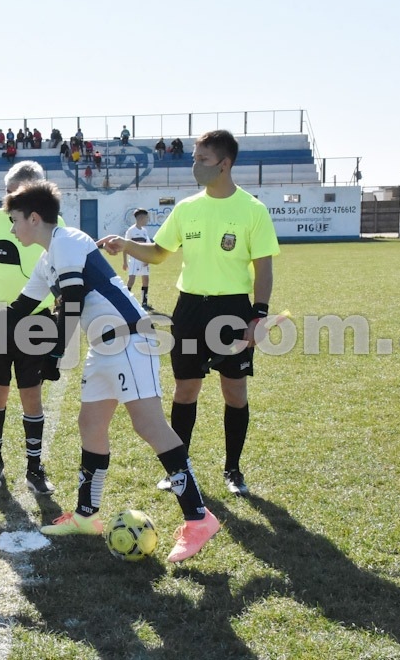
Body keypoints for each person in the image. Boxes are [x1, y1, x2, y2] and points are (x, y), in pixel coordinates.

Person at [0, 180, 220, 563]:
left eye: (14, 221)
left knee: (149, 426)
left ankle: (199, 518)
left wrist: (56, 353)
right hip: (104, 347)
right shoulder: (48, 259)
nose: (11, 229)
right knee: (90, 425)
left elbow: (73, 302)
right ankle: (86, 516)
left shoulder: (66, 242)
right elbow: (16, 311)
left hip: (128, 340)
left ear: (33, 218)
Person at [101, 129, 280, 497]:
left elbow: (263, 269)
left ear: (224, 164)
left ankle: (233, 469)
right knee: (185, 390)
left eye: (202, 160)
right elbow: (159, 253)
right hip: (190, 309)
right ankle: (178, 467)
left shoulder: (252, 210)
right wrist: (126, 245)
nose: (194, 165)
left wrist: (258, 315)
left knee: (235, 391)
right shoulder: (186, 208)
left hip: (232, 309)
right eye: (195, 158)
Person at [0, 161, 63, 496]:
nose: (12, 205)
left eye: (20, 196)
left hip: (37, 321)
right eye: (9, 195)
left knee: (31, 396)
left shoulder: (54, 225)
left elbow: (64, 273)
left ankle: (35, 469)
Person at [123, 208, 153, 310]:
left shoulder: (144, 231)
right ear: (140, 218)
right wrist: (125, 262)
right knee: (132, 279)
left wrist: (148, 259)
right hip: (135, 259)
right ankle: (125, 301)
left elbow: (149, 246)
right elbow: (125, 246)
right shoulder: (131, 231)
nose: (147, 220)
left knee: (146, 279)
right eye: (146, 218)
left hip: (144, 259)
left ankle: (144, 303)